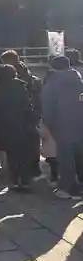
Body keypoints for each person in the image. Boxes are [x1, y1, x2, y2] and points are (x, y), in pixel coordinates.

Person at [42, 55, 83, 199]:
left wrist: (48, 124)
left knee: (65, 158)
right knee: (80, 156)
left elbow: (47, 106)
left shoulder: (52, 83)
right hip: (80, 123)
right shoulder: (78, 79)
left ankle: (68, 188)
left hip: (61, 124)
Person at [0, 64, 35, 192]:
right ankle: (26, 181)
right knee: (23, 154)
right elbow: (28, 106)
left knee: (11, 155)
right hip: (20, 124)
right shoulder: (20, 86)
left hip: (5, 125)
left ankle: (15, 181)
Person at [0, 50, 42, 178]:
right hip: (32, 113)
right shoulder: (27, 71)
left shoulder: (14, 74)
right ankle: (34, 168)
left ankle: (23, 172)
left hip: (21, 114)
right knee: (32, 142)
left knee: (20, 145)